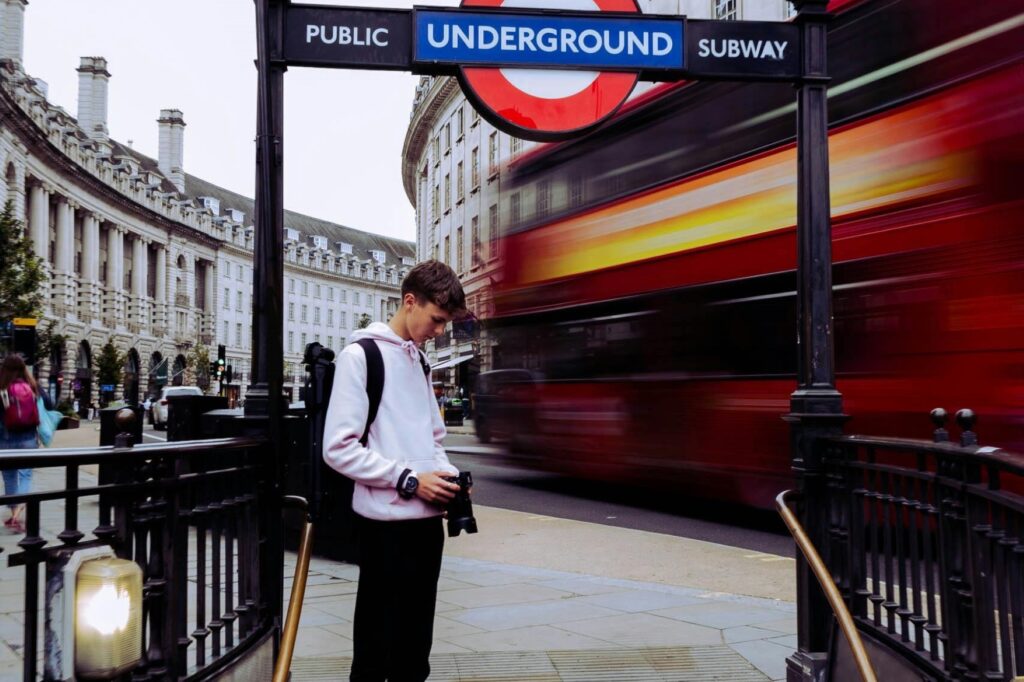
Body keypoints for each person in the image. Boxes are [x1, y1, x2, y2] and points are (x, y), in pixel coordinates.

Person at [323, 260, 467, 682]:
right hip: (385, 528)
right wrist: (408, 480)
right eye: (437, 320)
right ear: (409, 302)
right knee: (375, 649)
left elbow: (433, 440)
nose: (440, 331)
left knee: (414, 651)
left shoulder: (419, 362)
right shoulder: (360, 357)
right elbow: (338, 448)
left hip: (427, 527)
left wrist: (447, 478)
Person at [0, 355, 40, 533]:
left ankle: (14, 514)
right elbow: (50, 403)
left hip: (5, 438)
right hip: (28, 438)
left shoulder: (2, 388)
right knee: (25, 475)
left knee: (9, 477)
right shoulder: (31, 386)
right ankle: (17, 515)